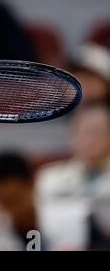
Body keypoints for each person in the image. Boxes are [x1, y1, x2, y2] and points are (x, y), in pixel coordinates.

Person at [36, 101, 110, 250]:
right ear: (72, 136)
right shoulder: (49, 178)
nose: (91, 141)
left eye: (99, 133)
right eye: (86, 133)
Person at [0, 152, 39, 251]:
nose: (11, 209)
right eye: (3, 203)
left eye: (14, 200)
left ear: (31, 183)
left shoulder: (67, 221)